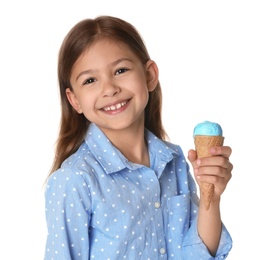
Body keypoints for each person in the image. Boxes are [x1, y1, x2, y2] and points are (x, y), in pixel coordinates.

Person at [44, 15, 233, 259]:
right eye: (90, 80)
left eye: (120, 70)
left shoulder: (173, 160)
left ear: (150, 75)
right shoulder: (74, 180)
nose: (109, 89)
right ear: (75, 100)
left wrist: (213, 197)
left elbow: (197, 254)